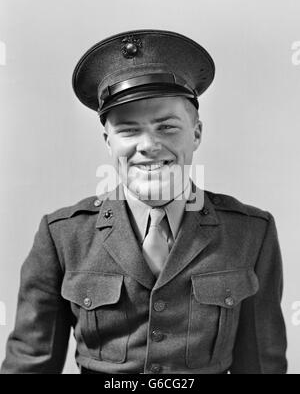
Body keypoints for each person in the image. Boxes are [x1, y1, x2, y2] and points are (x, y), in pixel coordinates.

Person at [1, 29, 287, 374]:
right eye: (128, 130)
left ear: (196, 133)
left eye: (166, 127)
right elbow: (28, 365)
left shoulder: (250, 233)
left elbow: (261, 365)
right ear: (108, 141)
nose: (148, 145)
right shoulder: (63, 236)